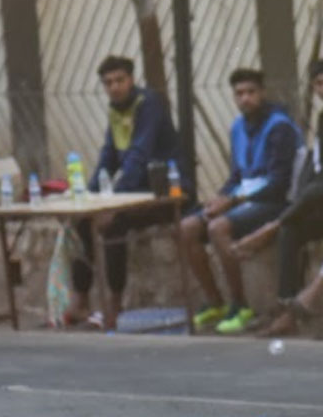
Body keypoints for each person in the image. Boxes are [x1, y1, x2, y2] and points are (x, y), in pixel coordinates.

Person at [64, 55, 192, 330]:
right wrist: (90, 197)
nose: (114, 87)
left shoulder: (149, 106)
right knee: (82, 220)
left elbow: (138, 156)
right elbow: (108, 157)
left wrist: (112, 204)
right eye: (108, 83)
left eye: (120, 80)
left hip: (165, 193)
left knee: (114, 225)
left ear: (132, 80)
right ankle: (80, 299)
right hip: (134, 194)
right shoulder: (116, 111)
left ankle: (115, 302)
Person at [181, 68, 303, 334]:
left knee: (218, 228)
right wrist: (221, 197)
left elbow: (278, 184)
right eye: (239, 94)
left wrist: (234, 201)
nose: (245, 99)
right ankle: (215, 302)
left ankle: (241, 305)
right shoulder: (237, 127)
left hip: (274, 202)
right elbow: (237, 175)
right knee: (187, 227)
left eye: (251, 92)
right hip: (243, 200)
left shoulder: (279, 127)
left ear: (262, 93)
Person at [236, 60, 323, 336]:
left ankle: (269, 228)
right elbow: (316, 168)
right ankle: (288, 313)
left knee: (311, 192)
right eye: (319, 83)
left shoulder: (279, 125)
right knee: (291, 228)